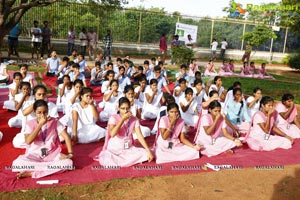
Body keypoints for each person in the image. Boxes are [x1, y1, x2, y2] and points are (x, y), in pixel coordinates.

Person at [12, 100, 73, 179]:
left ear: (48, 111)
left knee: (68, 163)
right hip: (34, 155)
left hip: (52, 155)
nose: (42, 115)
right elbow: (28, 141)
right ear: (34, 112)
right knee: (16, 164)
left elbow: (66, 137)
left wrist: (70, 153)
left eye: (45, 112)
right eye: (39, 112)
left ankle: (33, 173)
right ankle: (47, 169)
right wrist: (40, 124)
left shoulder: (54, 121)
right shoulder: (30, 123)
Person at [99, 97, 154, 167]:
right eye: (123, 108)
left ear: (130, 108)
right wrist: (122, 120)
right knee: (108, 160)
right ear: (118, 108)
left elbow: (139, 136)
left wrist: (148, 150)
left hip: (128, 148)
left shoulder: (134, 119)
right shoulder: (113, 118)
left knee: (145, 153)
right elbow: (112, 134)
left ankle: (131, 160)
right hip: (114, 149)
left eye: (127, 108)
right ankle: (131, 160)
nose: (125, 111)